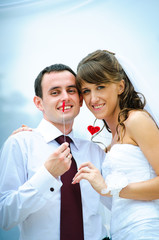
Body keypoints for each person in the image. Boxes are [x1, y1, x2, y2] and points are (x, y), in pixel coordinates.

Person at [0, 64, 110, 240]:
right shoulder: (19, 144)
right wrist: (47, 175)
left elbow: (119, 205)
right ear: (39, 103)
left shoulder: (95, 151)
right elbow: (5, 217)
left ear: (80, 100)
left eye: (71, 90)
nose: (65, 97)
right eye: (55, 92)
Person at [72, 49, 159, 240]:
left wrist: (110, 189)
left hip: (145, 229)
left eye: (100, 87)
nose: (93, 99)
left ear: (120, 86)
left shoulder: (136, 121)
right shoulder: (110, 142)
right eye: (86, 91)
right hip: (120, 232)